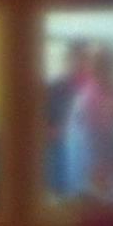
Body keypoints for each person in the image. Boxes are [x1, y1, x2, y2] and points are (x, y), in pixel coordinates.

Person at [64, 44, 113, 198]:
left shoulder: (107, 93)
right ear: (104, 70)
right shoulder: (91, 97)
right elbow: (97, 138)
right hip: (91, 171)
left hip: (103, 166)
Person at [44, 40, 91, 198]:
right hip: (60, 152)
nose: (81, 63)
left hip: (92, 156)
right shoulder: (55, 88)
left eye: (85, 58)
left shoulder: (97, 89)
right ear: (68, 60)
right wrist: (56, 132)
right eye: (77, 58)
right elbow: (43, 123)